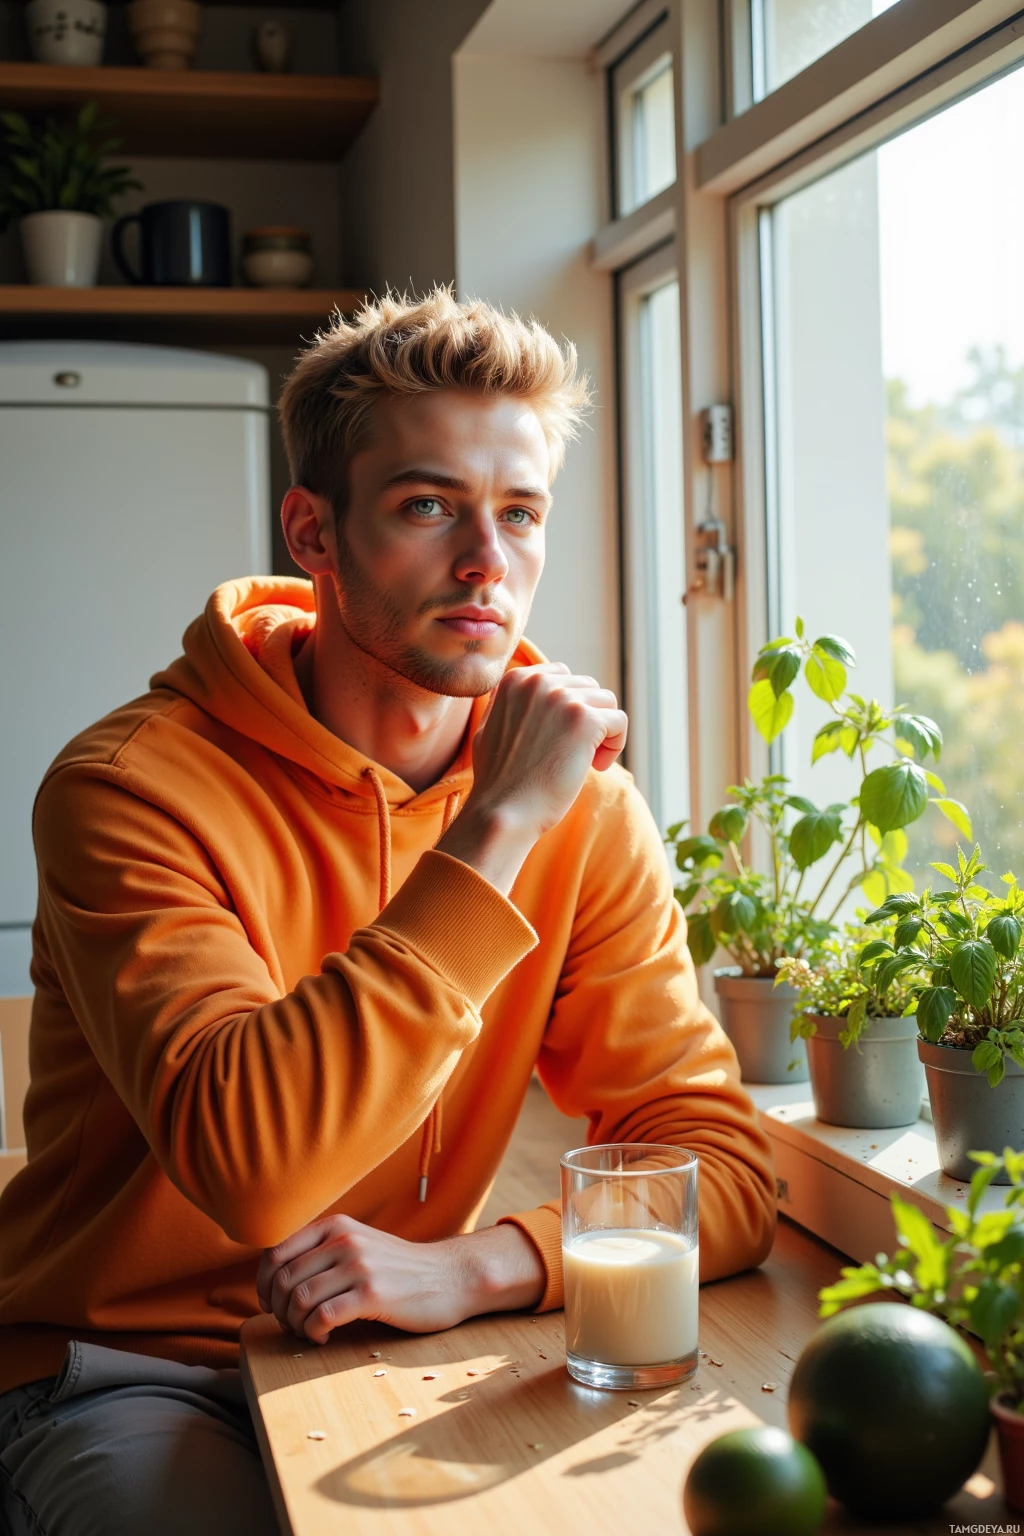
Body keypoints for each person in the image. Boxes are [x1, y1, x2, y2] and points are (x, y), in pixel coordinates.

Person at [0, 289, 775, 1534]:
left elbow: (720, 1166)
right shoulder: (128, 789)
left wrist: (475, 1266)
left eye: (519, 515)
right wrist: (493, 828)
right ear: (315, 531)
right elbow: (251, 1171)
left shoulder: (584, 809)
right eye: (429, 507)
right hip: (120, 1370)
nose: (487, 563)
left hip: (381, 1348)